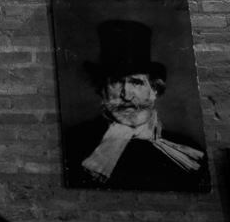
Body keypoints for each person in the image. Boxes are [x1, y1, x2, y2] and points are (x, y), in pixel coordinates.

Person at [62, 19, 208, 192]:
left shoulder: (189, 151)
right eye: (115, 82)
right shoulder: (72, 143)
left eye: (136, 83)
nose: (127, 95)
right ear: (102, 90)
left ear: (154, 90)